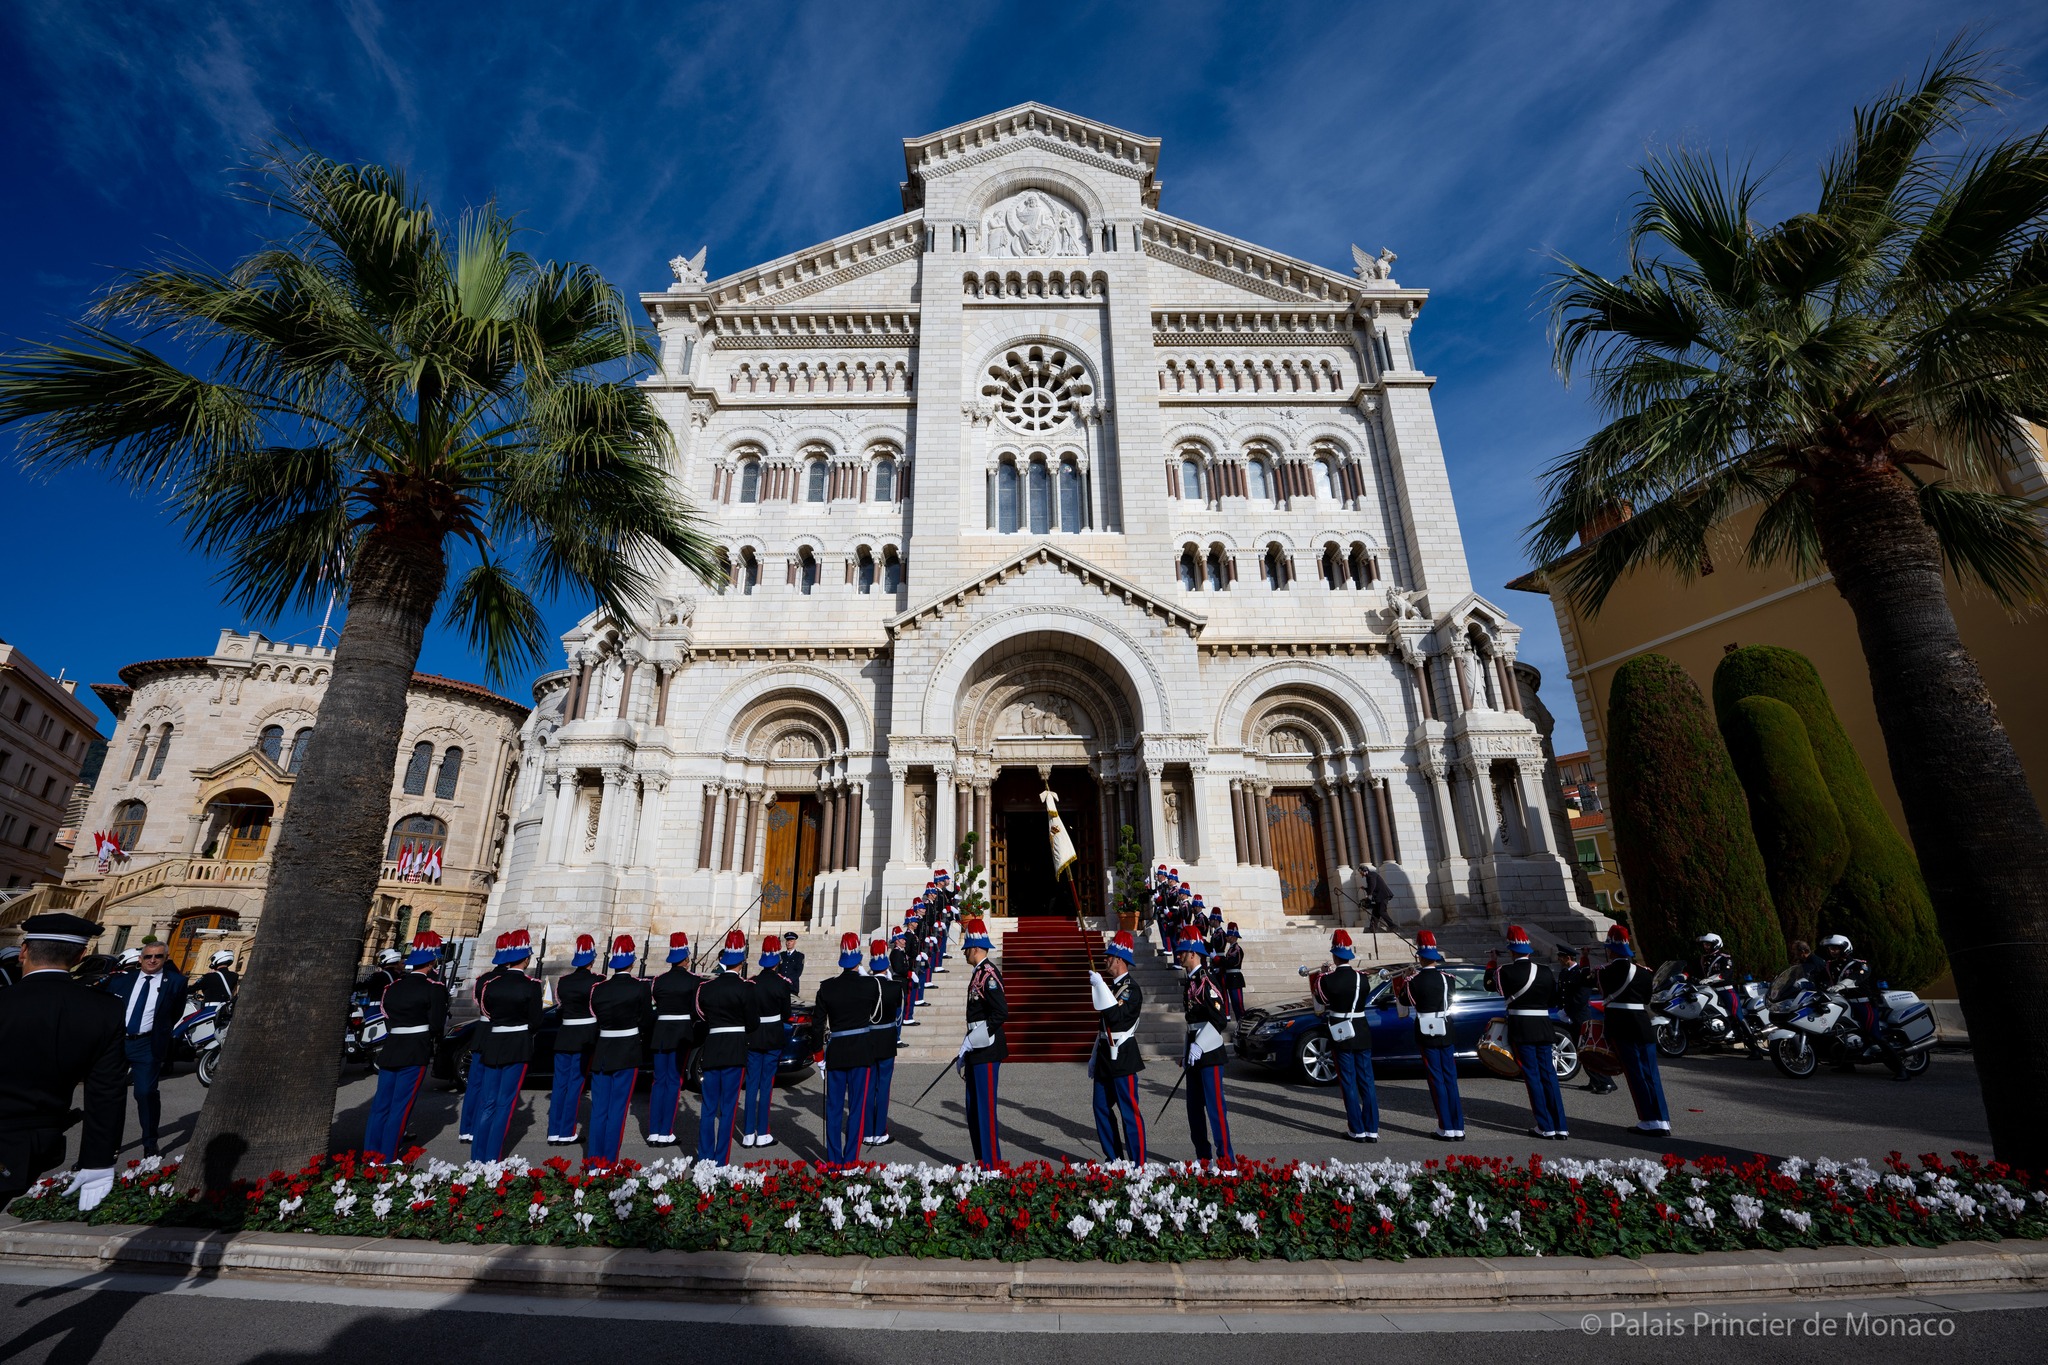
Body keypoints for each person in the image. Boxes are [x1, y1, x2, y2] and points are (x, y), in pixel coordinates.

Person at [0, 914, 125, 1209]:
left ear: (24, 951)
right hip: (35, 1145)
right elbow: (107, 1090)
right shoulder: (104, 1010)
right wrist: (97, 1161)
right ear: (81, 956)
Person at [361, 931, 449, 1161]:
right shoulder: (434, 988)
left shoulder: (393, 987)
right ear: (431, 964)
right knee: (400, 1106)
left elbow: (386, 1016)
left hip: (392, 1047)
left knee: (381, 1104)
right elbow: (437, 1025)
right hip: (415, 1049)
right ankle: (388, 1156)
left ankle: (370, 1154)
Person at [101, 937, 187, 1158]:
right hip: (118, 1042)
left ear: (165, 959)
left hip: (148, 1044)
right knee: (110, 1095)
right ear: (140, 959)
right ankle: (107, 1145)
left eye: (158, 956)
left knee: (145, 1092)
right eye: (148, 956)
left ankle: (150, 1142)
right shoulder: (121, 981)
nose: (152, 960)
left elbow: (174, 1012)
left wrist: (159, 1032)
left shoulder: (176, 982)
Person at [469, 930, 544, 1161]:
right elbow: (536, 1021)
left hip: (494, 1043)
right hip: (517, 1045)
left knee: (488, 1102)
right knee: (504, 1104)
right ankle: (493, 1157)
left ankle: (477, 1156)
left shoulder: (491, 983)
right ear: (526, 959)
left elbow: (487, 1012)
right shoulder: (531, 985)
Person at [816, 932, 884, 1168]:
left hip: (836, 1052)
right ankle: (851, 1159)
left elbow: (817, 1025)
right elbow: (875, 1013)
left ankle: (834, 1160)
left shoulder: (827, 988)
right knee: (856, 1108)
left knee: (834, 1109)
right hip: (861, 1052)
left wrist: (819, 1056)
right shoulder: (870, 984)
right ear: (859, 959)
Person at [1497, 926, 1568, 1140]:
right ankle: (1560, 1125)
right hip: (1544, 1027)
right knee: (1549, 1075)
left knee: (1533, 1076)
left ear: (1511, 951)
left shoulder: (1505, 971)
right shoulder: (1546, 971)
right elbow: (1553, 999)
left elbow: (1495, 987)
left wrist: (1492, 963)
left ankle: (1545, 1125)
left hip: (1523, 1028)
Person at [584, 936, 651, 1164]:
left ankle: (594, 1162)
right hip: (627, 1052)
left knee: (599, 1110)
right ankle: (609, 1163)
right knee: (617, 1111)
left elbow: (595, 1018)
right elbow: (646, 1020)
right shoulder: (640, 988)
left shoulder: (598, 989)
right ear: (632, 962)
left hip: (603, 1052)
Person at [1600, 925, 1670, 1133]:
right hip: (1641, 1024)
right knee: (1651, 1074)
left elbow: (1604, 995)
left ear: (1611, 950)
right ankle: (1662, 1119)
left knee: (1636, 1074)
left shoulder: (1605, 972)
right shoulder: (1645, 972)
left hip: (1622, 1027)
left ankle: (1648, 1120)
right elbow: (1647, 999)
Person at [1311, 929, 1379, 1142]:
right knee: (1367, 1081)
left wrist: (1321, 974)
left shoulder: (1326, 980)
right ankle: (1372, 1129)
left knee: (1348, 1082)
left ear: (1334, 955)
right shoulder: (1362, 978)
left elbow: (1319, 1005)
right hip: (1361, 1028)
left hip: (1340, 1030)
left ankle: (1356, 1129)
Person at [1175, 925, 1233, 1164]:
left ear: (1193, 954)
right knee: (1194, 1110)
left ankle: (1226, 1160)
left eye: (1181, 952)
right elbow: (1191, 1022)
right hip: (1195, 1051)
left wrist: (1199, 1045)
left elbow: (1220, 1019)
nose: (1178, 956)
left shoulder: (1207, 981)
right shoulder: (1190, 981)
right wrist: (1187, 1050)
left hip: (1209, 1052)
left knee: (1215, 1108)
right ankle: (1203, 1158)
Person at [694, 931, 753, 1163]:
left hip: (713, 1048)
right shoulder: (746, 988)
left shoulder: (706, 988)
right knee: (728, 1109)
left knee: (708, 1107)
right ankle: (720, 1161)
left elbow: (701, 1014)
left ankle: (704, 1158)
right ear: (741, 961)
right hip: (735, 1050)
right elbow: (753, 1022)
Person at [1088, 930, 1146, 1162]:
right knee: (1100, 1108)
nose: (1106, 960)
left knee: (1128, 1112)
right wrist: (1093, 1056)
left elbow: (1116, 1017)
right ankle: (1114, 1159)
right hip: (1105, 1054)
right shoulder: (1112, 987)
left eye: (1109, 957)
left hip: (1123, 1056)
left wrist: (1100, 986)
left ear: (1120, 959)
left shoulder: (1131, 989)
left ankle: (1138, 1162)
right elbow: (1103, 1026)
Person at [1817, 934, 1906, 1079]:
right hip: (1842, 1004)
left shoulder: (1860, 964)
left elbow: (1858, 977)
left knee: (1874, 1035)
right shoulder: (1829, 965)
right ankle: (1846, 1064)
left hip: (1863, 1003)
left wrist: (1842, 985)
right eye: (1830, 949)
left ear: (1845, 948)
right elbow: (1818, 978)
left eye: (1835, 948)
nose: (1832, 951)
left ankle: (1901, 1070)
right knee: (1838, 1032)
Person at [958, 917, 1007, 1165]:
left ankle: (992, 1165)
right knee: (973, 1108)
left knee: (985, 1110)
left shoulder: (988, 974)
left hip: (987, 1049)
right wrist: (966, 1045)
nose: (965, 952)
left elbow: (1001, 1012)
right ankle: (981, 1160)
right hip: (977, 1047)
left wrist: (973, 1039)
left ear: (975, 948)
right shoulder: (979, 973)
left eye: (966, 948)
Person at [646, 932, 702, 1146]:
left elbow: (654, 1007)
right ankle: (665, 1131)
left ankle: (653, 1131)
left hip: (661, 1033)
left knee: (659, 1080)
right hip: (681, 1034)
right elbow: (696, 1010)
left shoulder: (658, 981)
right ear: (686, 957)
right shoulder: (694, 981)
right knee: (674, 1081)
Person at [546, 934, 600, 1144]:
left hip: (565, 1037)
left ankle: (554, 1130)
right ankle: (566, 1131)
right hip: (584, 1037)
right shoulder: (597, 982)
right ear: (592, 959)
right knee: (575, 1085)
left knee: (560, 1084)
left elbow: (561, 1009)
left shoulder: (564, 982)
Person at [1410, 931, 1464, 1141]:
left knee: (1436, 1079)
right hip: (1445, 1028)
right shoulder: (1447, 979)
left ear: (1420, 957)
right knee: (1450, 1078)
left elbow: (1406, 1002)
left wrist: (1407, 978)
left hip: (1426, 1029)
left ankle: (1446, 1127)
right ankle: (1458, 1126)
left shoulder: (1414, 980)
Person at [742, 935, 792, 1148]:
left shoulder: (752, 983)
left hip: (754, 1036)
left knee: (751, 1084)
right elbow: (787, 1013)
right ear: (778, 960)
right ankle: (762, 1132)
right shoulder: (782, 984)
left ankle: (747, 1133)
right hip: (772, 1036)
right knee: (766, 1085)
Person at [1558, 947, 1616, 1094]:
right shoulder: (1565, 973)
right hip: (1571, 1017)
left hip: (1580, 1017)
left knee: (1589, 1051)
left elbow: (1581, 997)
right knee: (1581, 1051)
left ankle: (1606, 1082)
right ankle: (1594, 1081)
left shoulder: (1580, 973)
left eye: (1561, 957)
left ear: (1568, 958)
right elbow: (1563, 993)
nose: (1559, 959)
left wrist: (1567, 1011)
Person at [866, 937, 904, 1147]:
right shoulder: (894, 987)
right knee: (883, 1087)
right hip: (887, 1041)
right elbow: (897, 1014)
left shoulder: (864, 986)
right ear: (887, 965)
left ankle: (867, 1130)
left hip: (869, 1040)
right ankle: (880, 1130)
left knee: (868, 1087)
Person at [1216, 922, 1246, 1019]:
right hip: (1230, 979)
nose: (1226, 937)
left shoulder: (1237, 949)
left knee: (1239, 1005)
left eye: (1228, 935)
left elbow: (1231, 963)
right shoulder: (1231, 949)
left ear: (1233, 937)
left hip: (1235, 979)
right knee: (1235, 1006)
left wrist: (1220, 959)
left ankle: (1243, 1025)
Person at [1360, 864, 1397, 933]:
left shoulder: (1371, 875)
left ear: (1365, 871)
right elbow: (1373, 887)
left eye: (1361, 872)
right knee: (1375, 912)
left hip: (1383, 896)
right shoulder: (1369, 876)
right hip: (1378, 897)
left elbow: (1373, 886)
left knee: (1382, 911)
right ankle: (1372, 928)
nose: (1360, 873)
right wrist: (1365, 889)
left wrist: (1368, 895)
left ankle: (1392, 926)